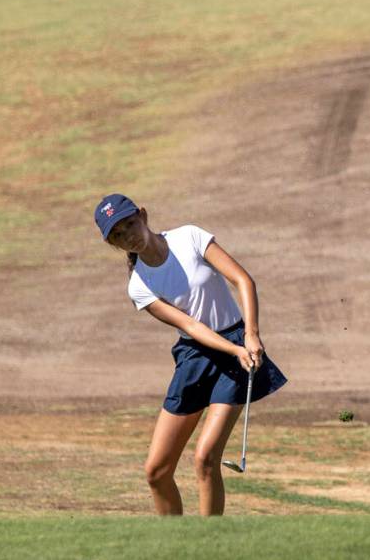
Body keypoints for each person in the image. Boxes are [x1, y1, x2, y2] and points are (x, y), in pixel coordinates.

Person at [94, 193, 287, 516]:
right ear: (112, 243)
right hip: (196, 357)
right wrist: (235, 349)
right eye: (118, 234)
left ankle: (208, 546)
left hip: (236, 345)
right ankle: (178, 545)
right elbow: (191, 326)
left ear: (143, 215)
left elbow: (242, 279)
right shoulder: (139, 286)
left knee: (206, 458)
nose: (128, 235)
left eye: (129, 224)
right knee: (156, 471)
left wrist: (250, 335)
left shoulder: (189, 237)